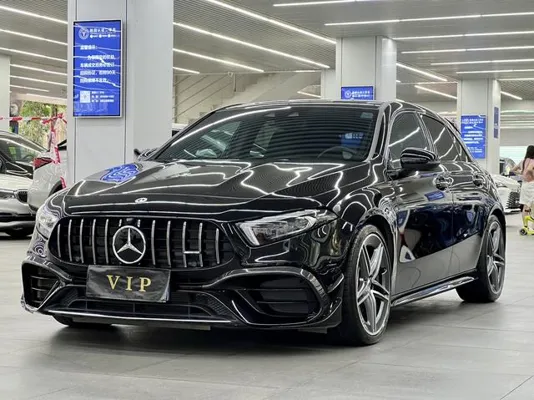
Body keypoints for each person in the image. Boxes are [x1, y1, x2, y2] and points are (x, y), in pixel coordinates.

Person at [513, 145, 534, 228]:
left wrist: (522, 173)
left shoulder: (523, 161)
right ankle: (533, 227)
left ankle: (525, 227)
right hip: (532, 184)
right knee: (532, 205)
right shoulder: (533, 161)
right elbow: (529, 169)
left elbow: (513, 170)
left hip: (524, 185)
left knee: (525, 206)